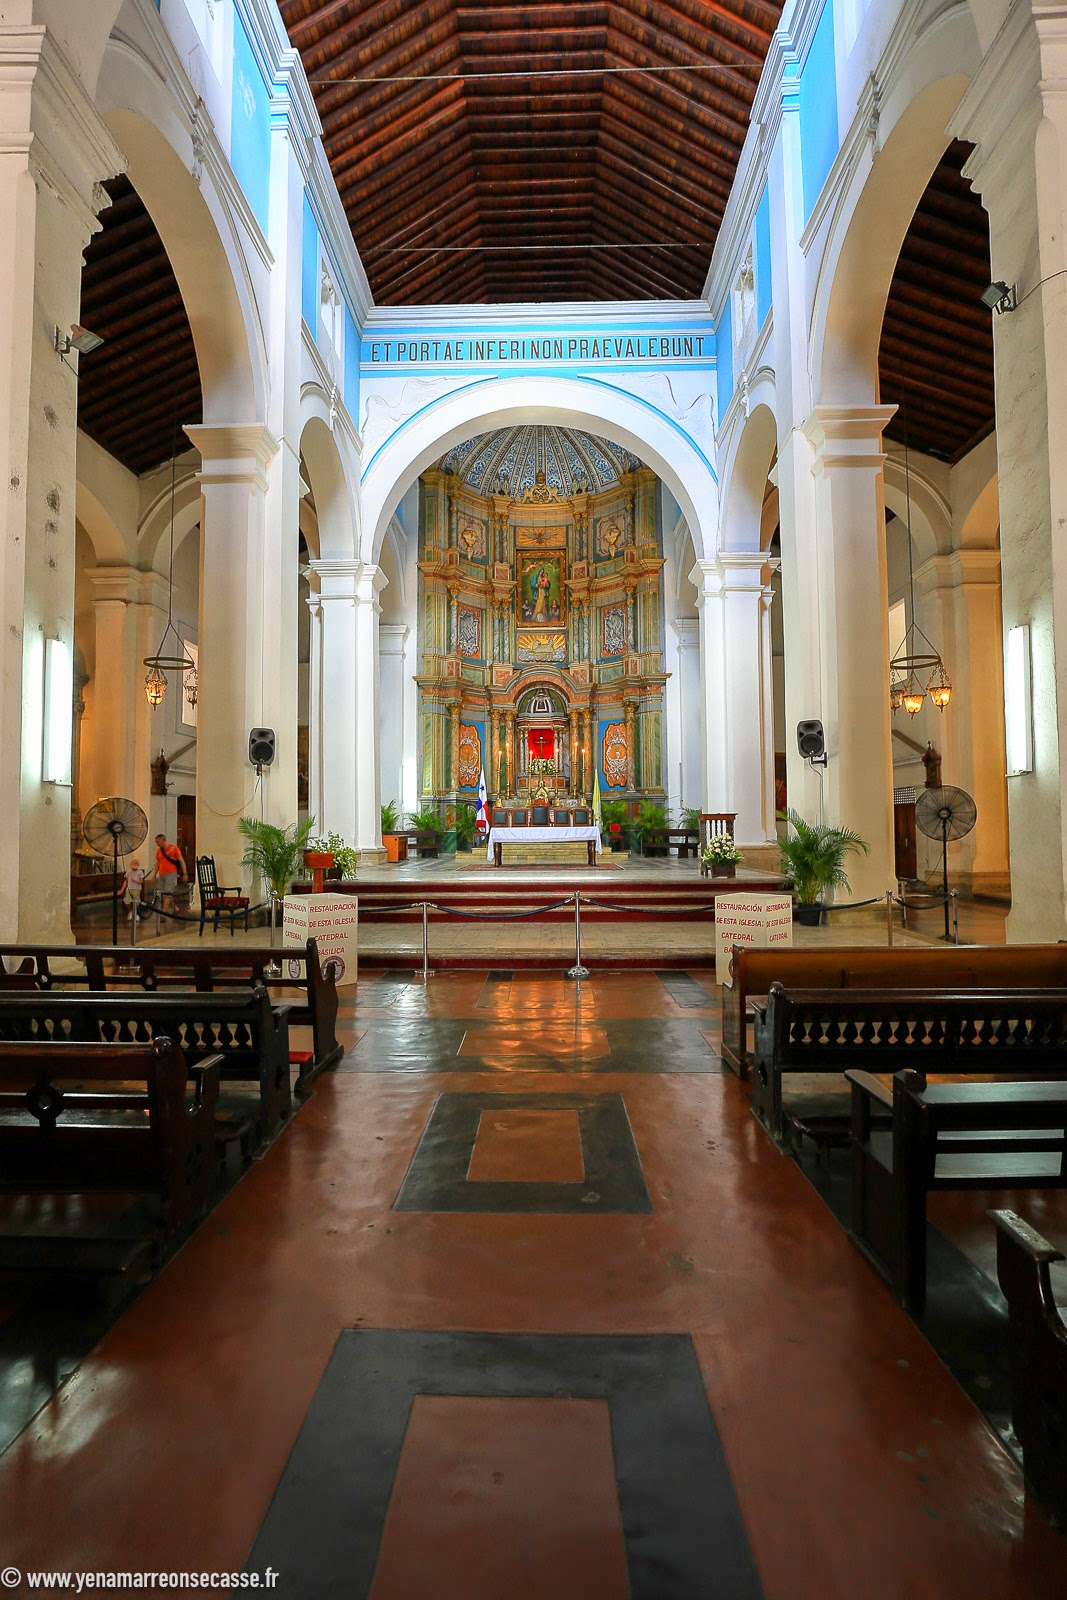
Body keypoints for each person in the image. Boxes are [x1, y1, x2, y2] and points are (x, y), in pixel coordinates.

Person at [153, 833, 187, 913]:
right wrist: (154, 875)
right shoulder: (159, 851)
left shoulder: (174, 848)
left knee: (168, 892)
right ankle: (175, 907)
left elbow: (181, 861)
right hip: (162, 873)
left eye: (158, 842)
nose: (157, 844)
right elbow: (158, 863)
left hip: (171, 873)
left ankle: (164, 912)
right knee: (164, 892)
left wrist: (185, 874)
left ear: (163, 840)